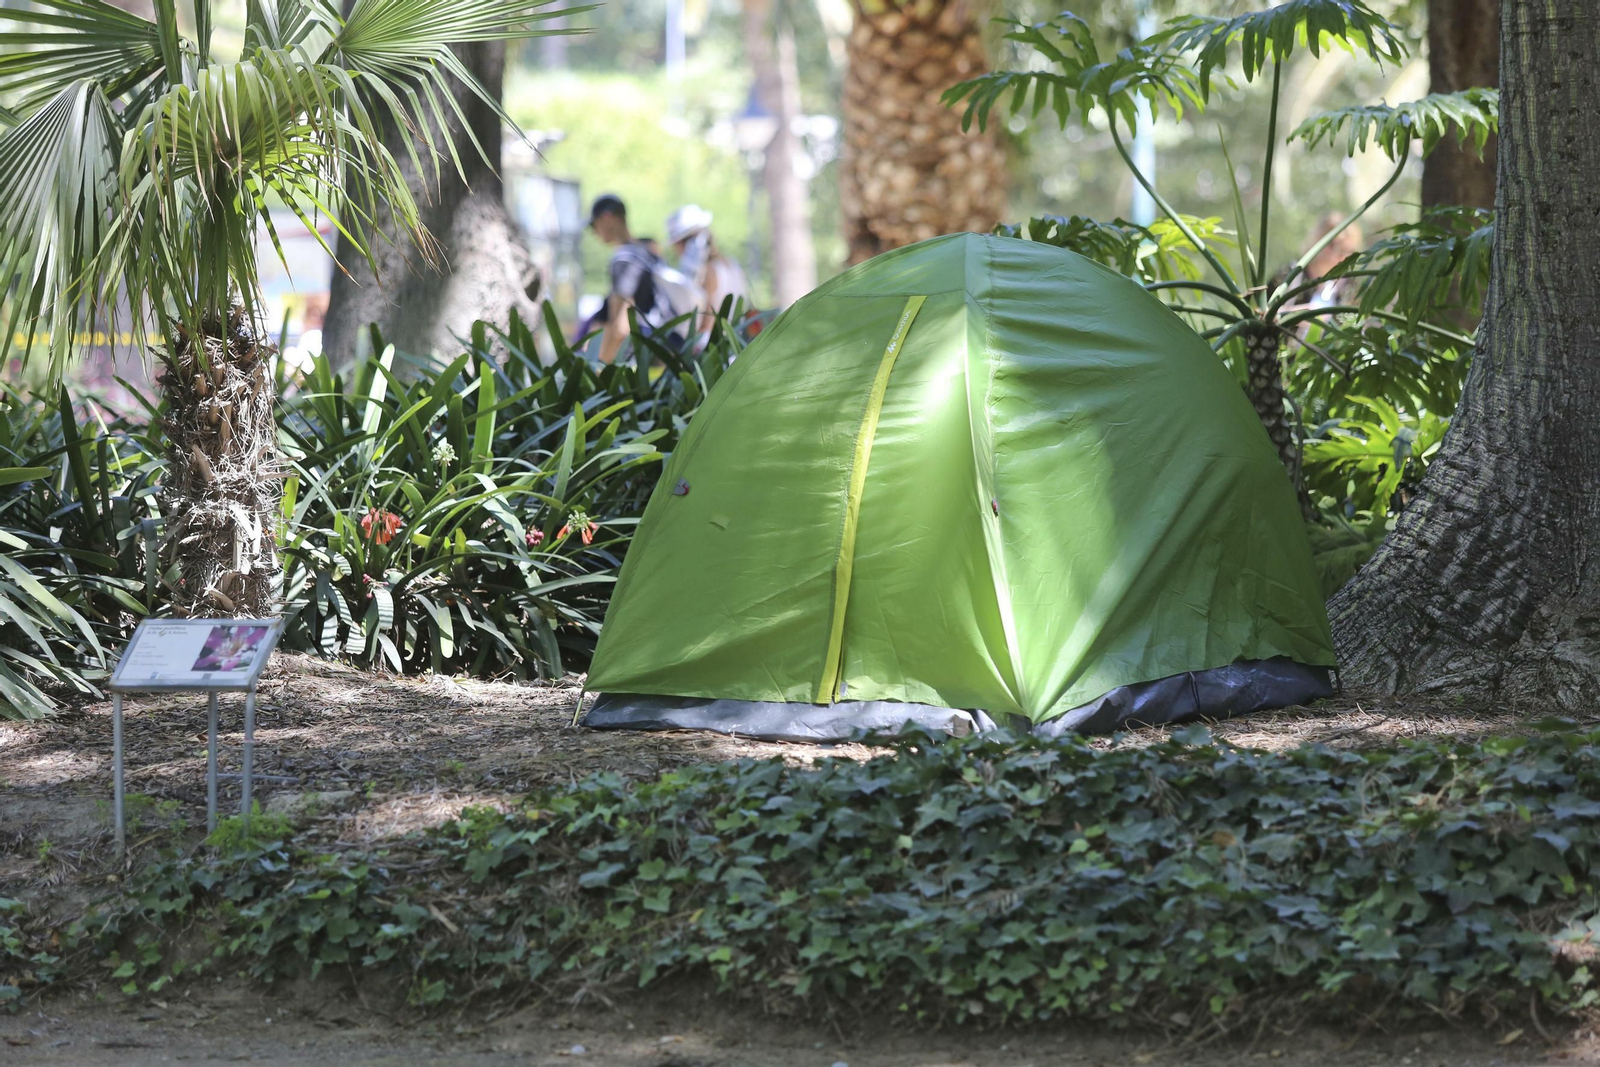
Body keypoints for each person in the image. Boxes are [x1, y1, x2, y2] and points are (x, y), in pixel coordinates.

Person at [588, 195, 699, 364]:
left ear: (607, 218)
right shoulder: (649, 253)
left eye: (594, 225)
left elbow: (621, 326)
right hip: (668, 350)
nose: (595, 232)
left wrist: (600, 366)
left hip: (641, 361)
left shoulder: (624, 260)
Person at [666, 204, 751, 338]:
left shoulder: (708, 271)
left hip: (715, 349)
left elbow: (707, 321)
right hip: (735, 342)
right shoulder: (731, 264)